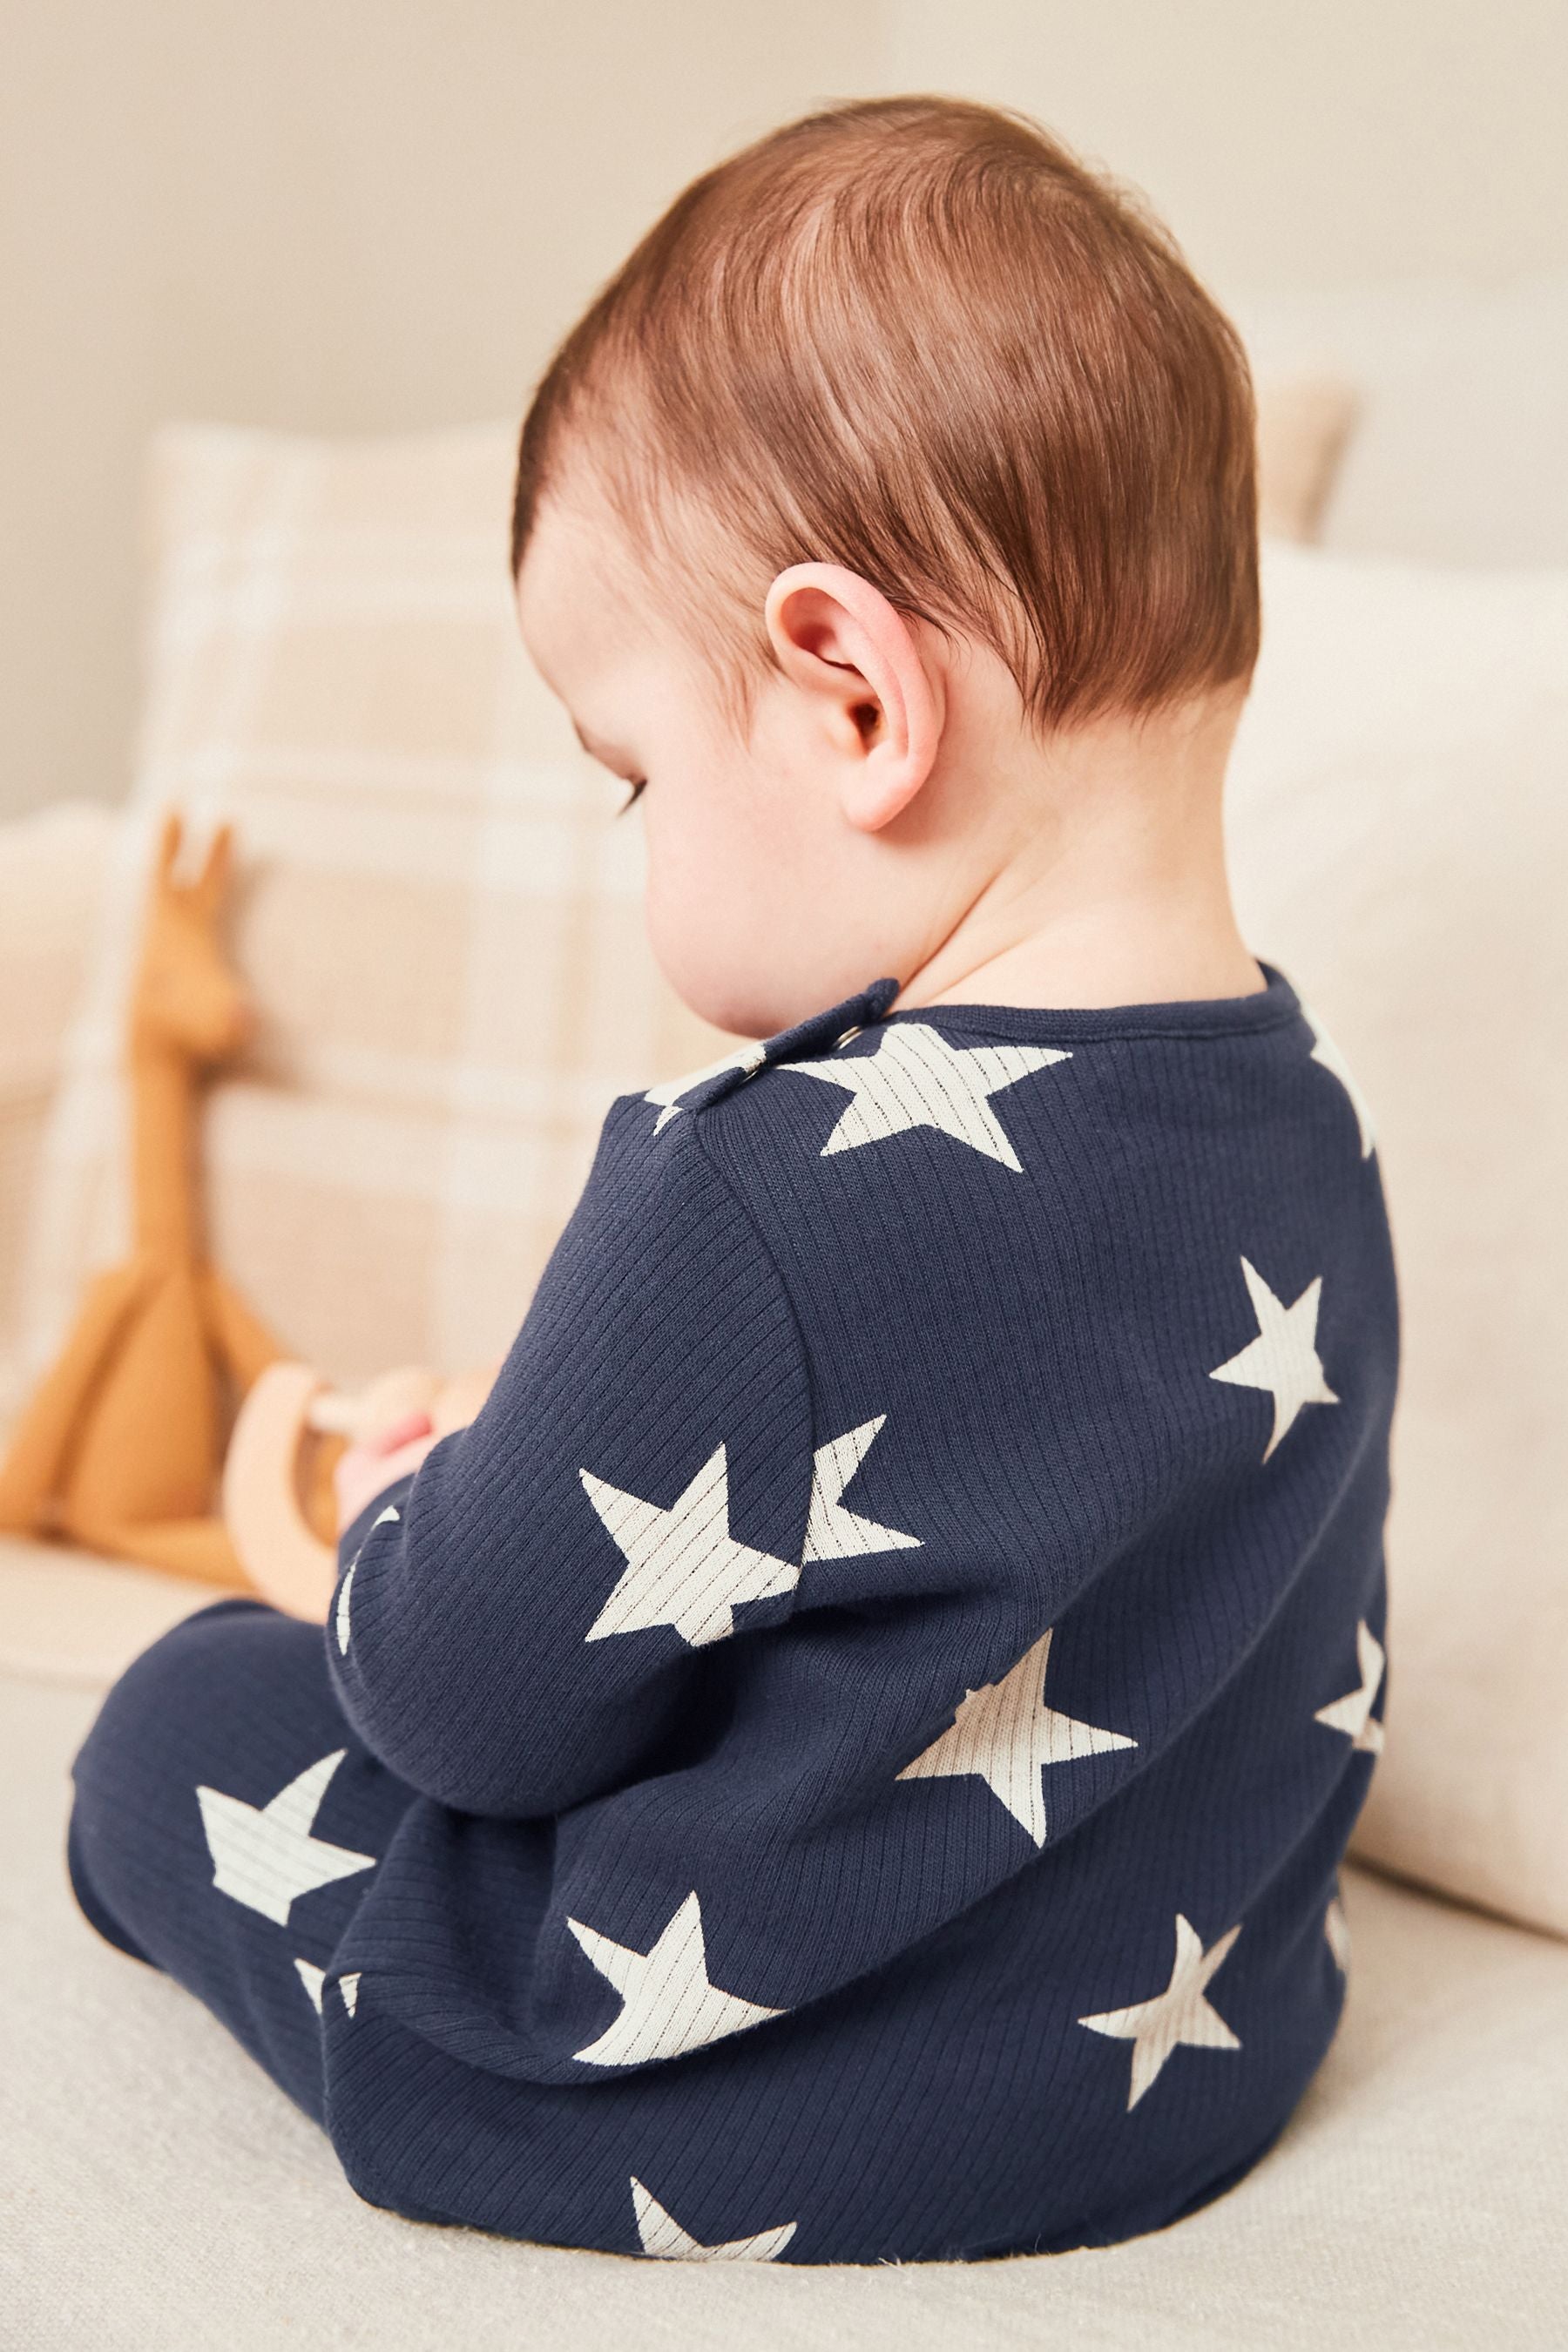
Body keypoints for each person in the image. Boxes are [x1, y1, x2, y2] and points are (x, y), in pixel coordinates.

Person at [65, 95, 1396, 2264]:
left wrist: (370, 1535)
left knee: (179, 1718)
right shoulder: (1306, 1118)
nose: (642, 841)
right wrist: (559, 1486)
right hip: (1173, 2065)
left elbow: (471, 1713)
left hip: (760, 2103)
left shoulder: (750, 1197)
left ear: (850, 697)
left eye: (633, 777)